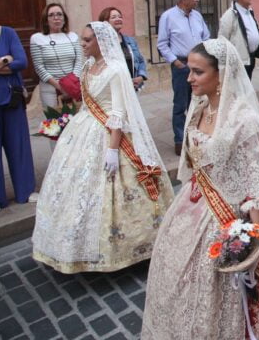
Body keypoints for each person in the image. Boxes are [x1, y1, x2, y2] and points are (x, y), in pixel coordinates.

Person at [142, 38, 259, 339]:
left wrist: (255, 244)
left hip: (231, 214)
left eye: (197, 72)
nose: (189, 78)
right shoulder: (199, 107)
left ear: (221, 73)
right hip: (196, 204)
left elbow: (254, 187)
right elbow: (195, 164)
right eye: (189, 71)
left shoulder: (243, 120)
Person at [32, 21, 174, 273]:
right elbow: (87, 102)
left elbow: (118, 111)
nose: (82, 45)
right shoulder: (88, 66)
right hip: (84, 128)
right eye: (82, 40)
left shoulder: (117, 69)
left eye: (87, 41)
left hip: (109, 133)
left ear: (100, 41)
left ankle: (130, 247)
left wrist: (111, 150)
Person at [0, 0, 37, 216]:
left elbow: (22, 61)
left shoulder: (9, 33)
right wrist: (5, 60)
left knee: (19, 145)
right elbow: (12, 61)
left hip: (11, 99)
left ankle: (26, 190)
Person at [157, 0, 210, 156]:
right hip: (182, 65)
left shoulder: (197, 16)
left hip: (199, 64)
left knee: (198, 102)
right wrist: (175, 62)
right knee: (180, 103)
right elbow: (162, 44)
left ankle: (196, 135)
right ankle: (180, 140)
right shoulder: (168, 17)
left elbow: (206, 37)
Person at [30, 3, 83, 109]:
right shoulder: (37, 38)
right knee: (54, 123)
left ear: (64, 19)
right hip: (50, 89)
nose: (56, 17)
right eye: (51, 15)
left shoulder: (73, 36)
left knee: (76, 121)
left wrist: (71, 84)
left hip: (73, 86)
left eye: (59, 14)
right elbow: (39, 67)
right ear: (46, 20)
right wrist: (60, 86)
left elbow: (79, 60)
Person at [219, 0, 259, 79]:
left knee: (247, 87)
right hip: (238, 60)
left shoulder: (249, 12)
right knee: (239, 90)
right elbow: (222, 40)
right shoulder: (229, 15)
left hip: (250, 57)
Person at [98, 7, 147, 91]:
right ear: (105, 22)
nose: (118, 19)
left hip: (132, 88)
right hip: (114, 90)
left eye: (119, 16)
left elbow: (141, 60)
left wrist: (141, 76)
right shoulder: (101, 43)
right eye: (113, 17)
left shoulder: (130, 40)